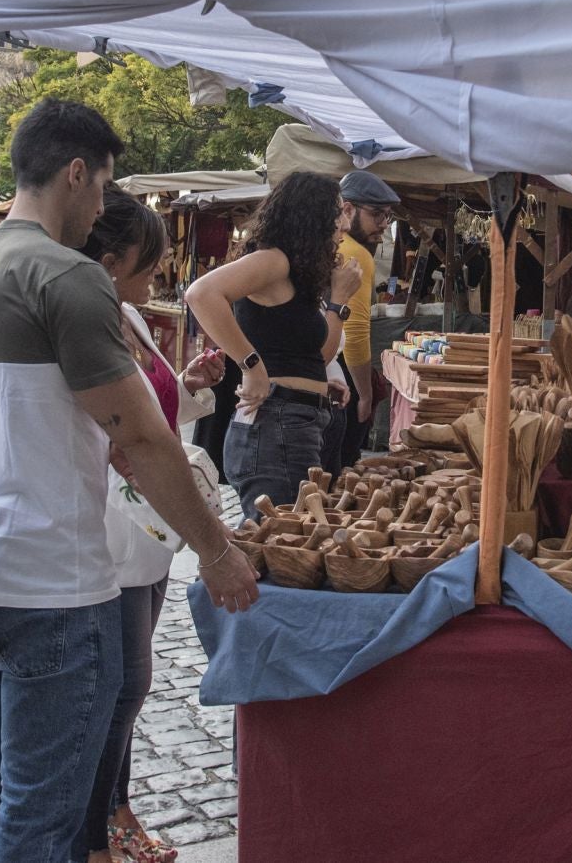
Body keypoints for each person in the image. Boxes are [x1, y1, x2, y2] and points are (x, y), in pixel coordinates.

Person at [0, 98, 257, 863]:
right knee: (43, 813)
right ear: (75, 173)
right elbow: (140, 436)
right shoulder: (67, 274)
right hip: (54, 579)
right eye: (104, 185)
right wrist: (216, 553)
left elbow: (49, 415)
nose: (104, 206)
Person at [80, 185, 226, 863]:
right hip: (114, 527)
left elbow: (159, 414)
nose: (155, 279)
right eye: (147, 264)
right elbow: (118, 432)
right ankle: (102, 820)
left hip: (150, 526)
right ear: (110, 261)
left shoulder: (132, 319)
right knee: (123, 681)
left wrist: (192, 383)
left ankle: (116, 807)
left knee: (128, 684)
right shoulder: (86, 322)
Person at [186, 171, 360, 520]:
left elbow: (317, 355)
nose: (343, 226)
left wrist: (338, 301)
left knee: (288, 544)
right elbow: (201, 294)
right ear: (311, 217)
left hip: (295, 423)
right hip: (277, 425)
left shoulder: (294, 272)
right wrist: (252, 367)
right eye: (337, 213)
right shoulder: (274, 259)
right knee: (281, 545)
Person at [323, 170, 398, 473]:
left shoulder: (329, 247)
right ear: (348, 209)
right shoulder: (357, 255)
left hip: (321, 373)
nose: (383, 224)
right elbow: (354, 332)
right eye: (377, 214)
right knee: (339, 473)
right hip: (341, 377)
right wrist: (365, 394)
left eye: (388, 216)